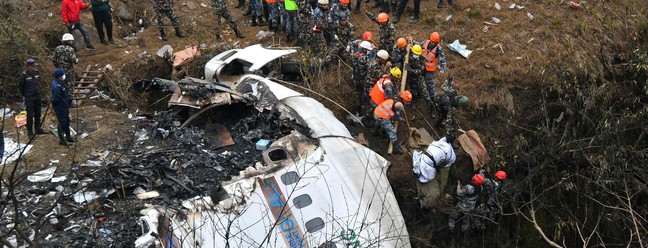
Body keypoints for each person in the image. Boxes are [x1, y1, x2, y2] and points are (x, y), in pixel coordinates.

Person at [413, 32, 446, 118]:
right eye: (432, 41)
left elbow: (443, 60)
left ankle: (432, 105)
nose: (432, 43)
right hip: (421, 66)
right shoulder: (425, 42)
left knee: (430, 87)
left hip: (430, 70)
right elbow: (418, 45)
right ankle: (418, 95)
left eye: (434, 42)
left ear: (437, 42)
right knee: (418, 82)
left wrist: (442, 69)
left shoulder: (439, 49)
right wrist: (412, 40)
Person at [18, 59, 48, 139]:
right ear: (28, 66)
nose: (35, 67)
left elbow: (38, 83)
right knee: (30, 116)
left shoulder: (36, 73)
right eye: (33, 66)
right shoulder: (24, 75)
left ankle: (38, 129)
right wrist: (26, 95)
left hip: (37, 97)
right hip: (29, 98)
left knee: (38, 113)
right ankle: (30, 133)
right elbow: (21, 87)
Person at [435, 77, 468, 144]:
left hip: (441, 102)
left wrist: (448, 80)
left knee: (444, 117)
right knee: (445, 118)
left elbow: (444, 87)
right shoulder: (451, 107)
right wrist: (450, 132)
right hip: (439, 106)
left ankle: (438, 124)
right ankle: (449, 141)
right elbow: (448, 123)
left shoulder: (453, 92)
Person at [51, 69, 77, 145]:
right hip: (60, 107)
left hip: (64, 107)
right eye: (63, 75)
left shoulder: (59, 82)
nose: (64, 76)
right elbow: (56, 98)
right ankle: (62, 140)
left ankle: (68, 137)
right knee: (62, 123)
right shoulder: (56, 86)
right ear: (60, 77)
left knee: (67, 121)